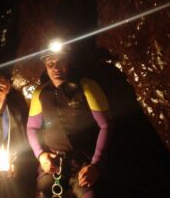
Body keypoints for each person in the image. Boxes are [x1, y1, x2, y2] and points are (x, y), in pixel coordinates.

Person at [27, 44, 110, 198]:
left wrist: (96, 165)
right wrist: (41, 155)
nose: (56, 68)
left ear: (68, 62)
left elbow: (105, 126)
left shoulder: (86, 86)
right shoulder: (40, 93)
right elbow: (32, 127)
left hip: (83, 162)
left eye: (60, 62)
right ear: (45, 66)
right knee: (42, 191)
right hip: (53, 161)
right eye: (50, 64)